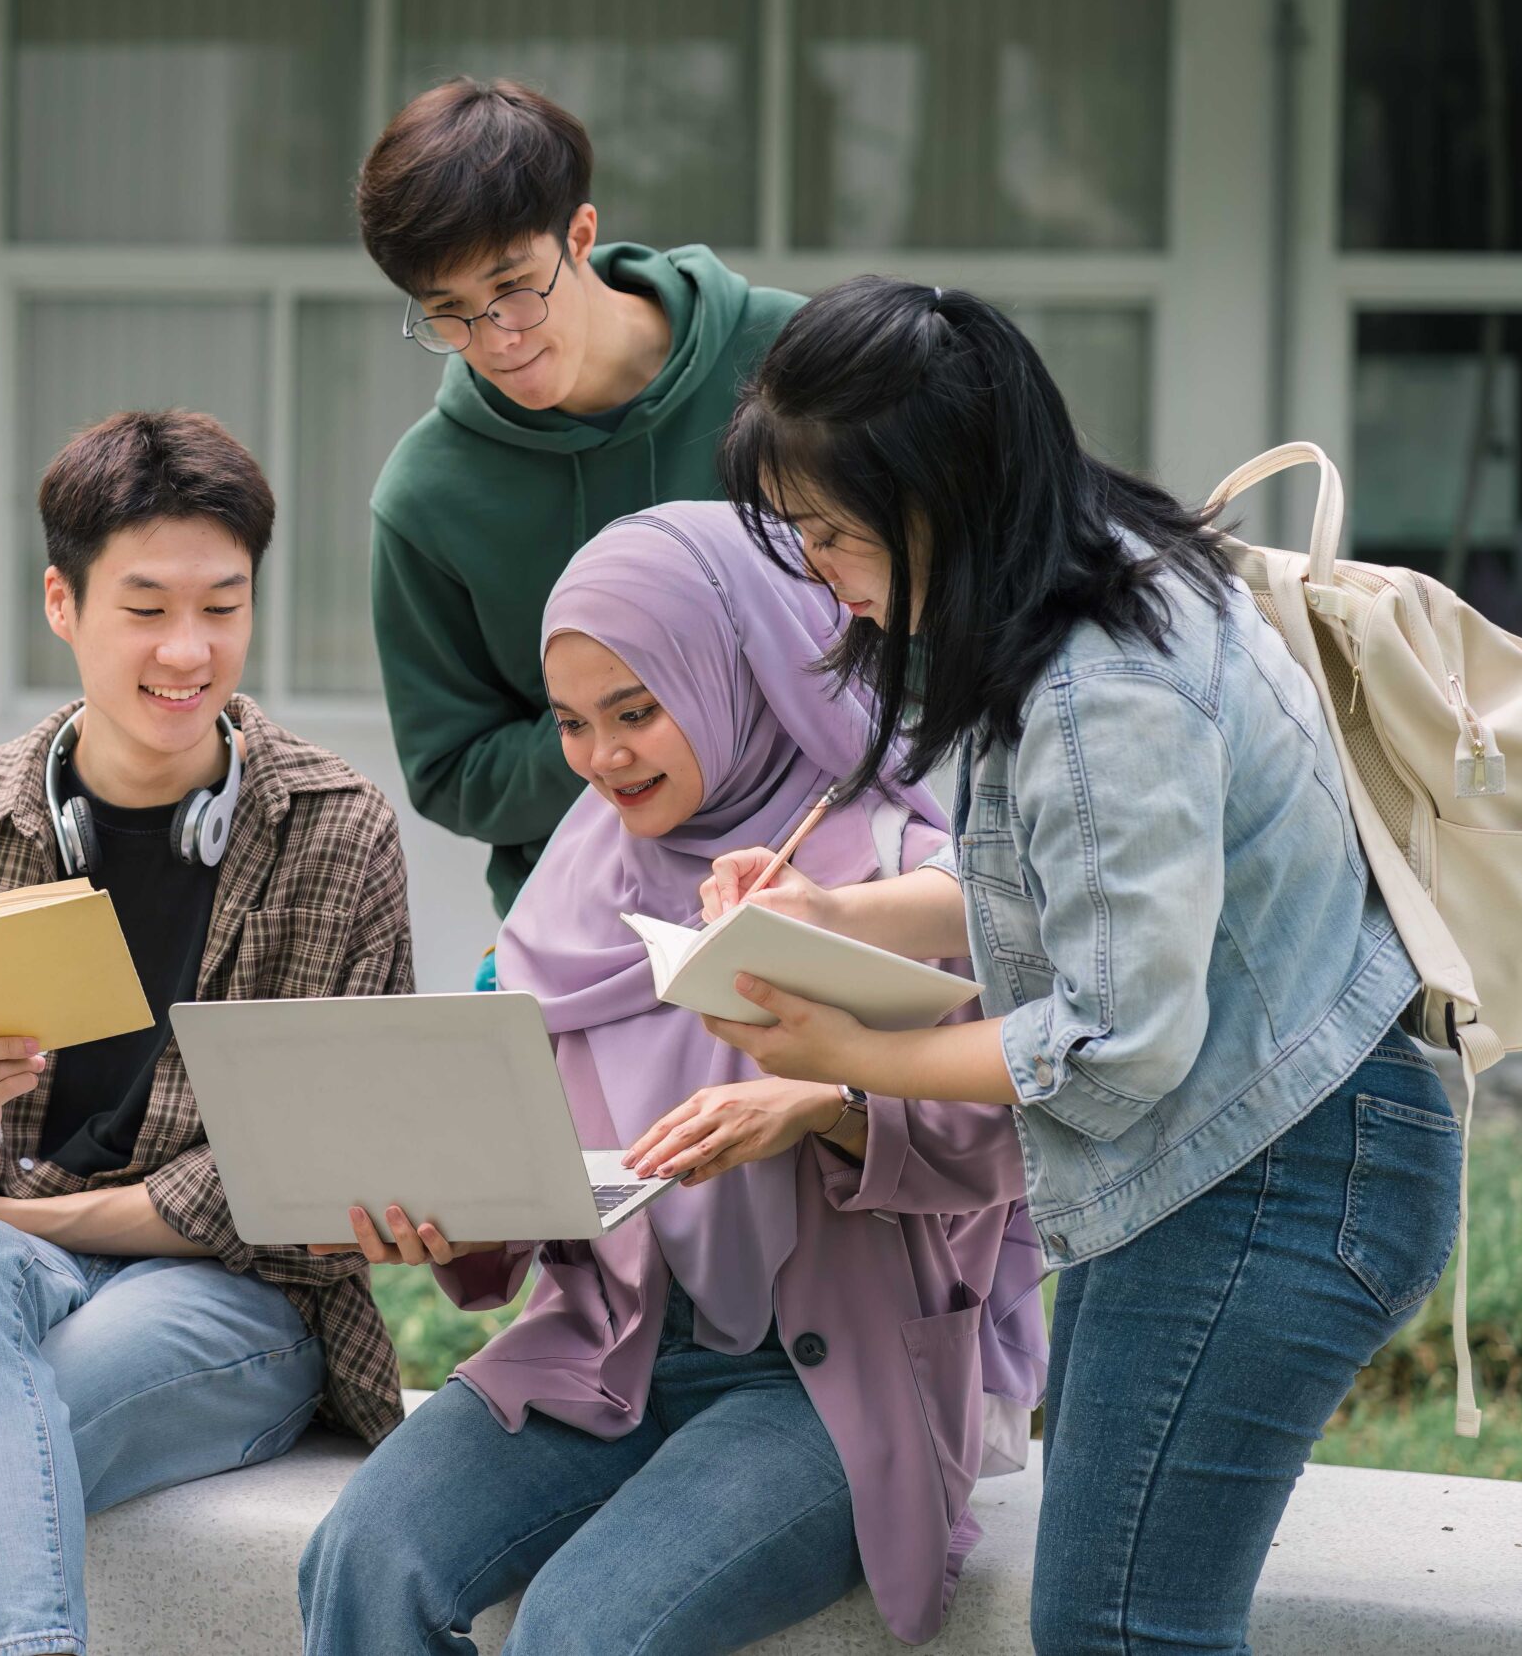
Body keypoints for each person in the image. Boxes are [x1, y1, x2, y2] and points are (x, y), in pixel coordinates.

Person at [696, 277, 1461, 1655]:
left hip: (1280, 1171)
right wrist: (837, 911)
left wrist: (849, 1057)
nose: (818, 570)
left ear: (940, 492)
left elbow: (1117, 1033)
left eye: (831, 531)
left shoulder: (1099, 680)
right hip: (1242, 1158)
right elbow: (1079, 895)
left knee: (1123, 1628)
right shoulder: (1098, 573)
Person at [298, 502, 1045, 1656]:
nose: (602, 759)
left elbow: (1017, 1131)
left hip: (820, 1384)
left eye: (636, 712)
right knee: (362, 1558)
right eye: (571, 724)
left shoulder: (894, 870)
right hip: (607, 1350)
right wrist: (446, 1223)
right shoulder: (572, 882)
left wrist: (831, 1106)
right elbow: (538, 1178)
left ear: (735, 670)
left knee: (582, 1632)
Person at [0, 409, 413, 1656]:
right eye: (144, 608)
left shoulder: (334, 828)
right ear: (61, 602)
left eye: (224, 606)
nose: (188, 651)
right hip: (4, 1284)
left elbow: (288, 1182)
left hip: (239, 1303)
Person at [355, 77, 807, 917]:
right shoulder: (425, 497)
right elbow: (450, 772)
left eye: (516, 286)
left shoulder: (795, 361)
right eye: (448, 314)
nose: (497, 339)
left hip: (826, 877)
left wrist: (718, 706)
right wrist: (617, 727)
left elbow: (921, 621)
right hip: (588, 923)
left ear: (582, 233)